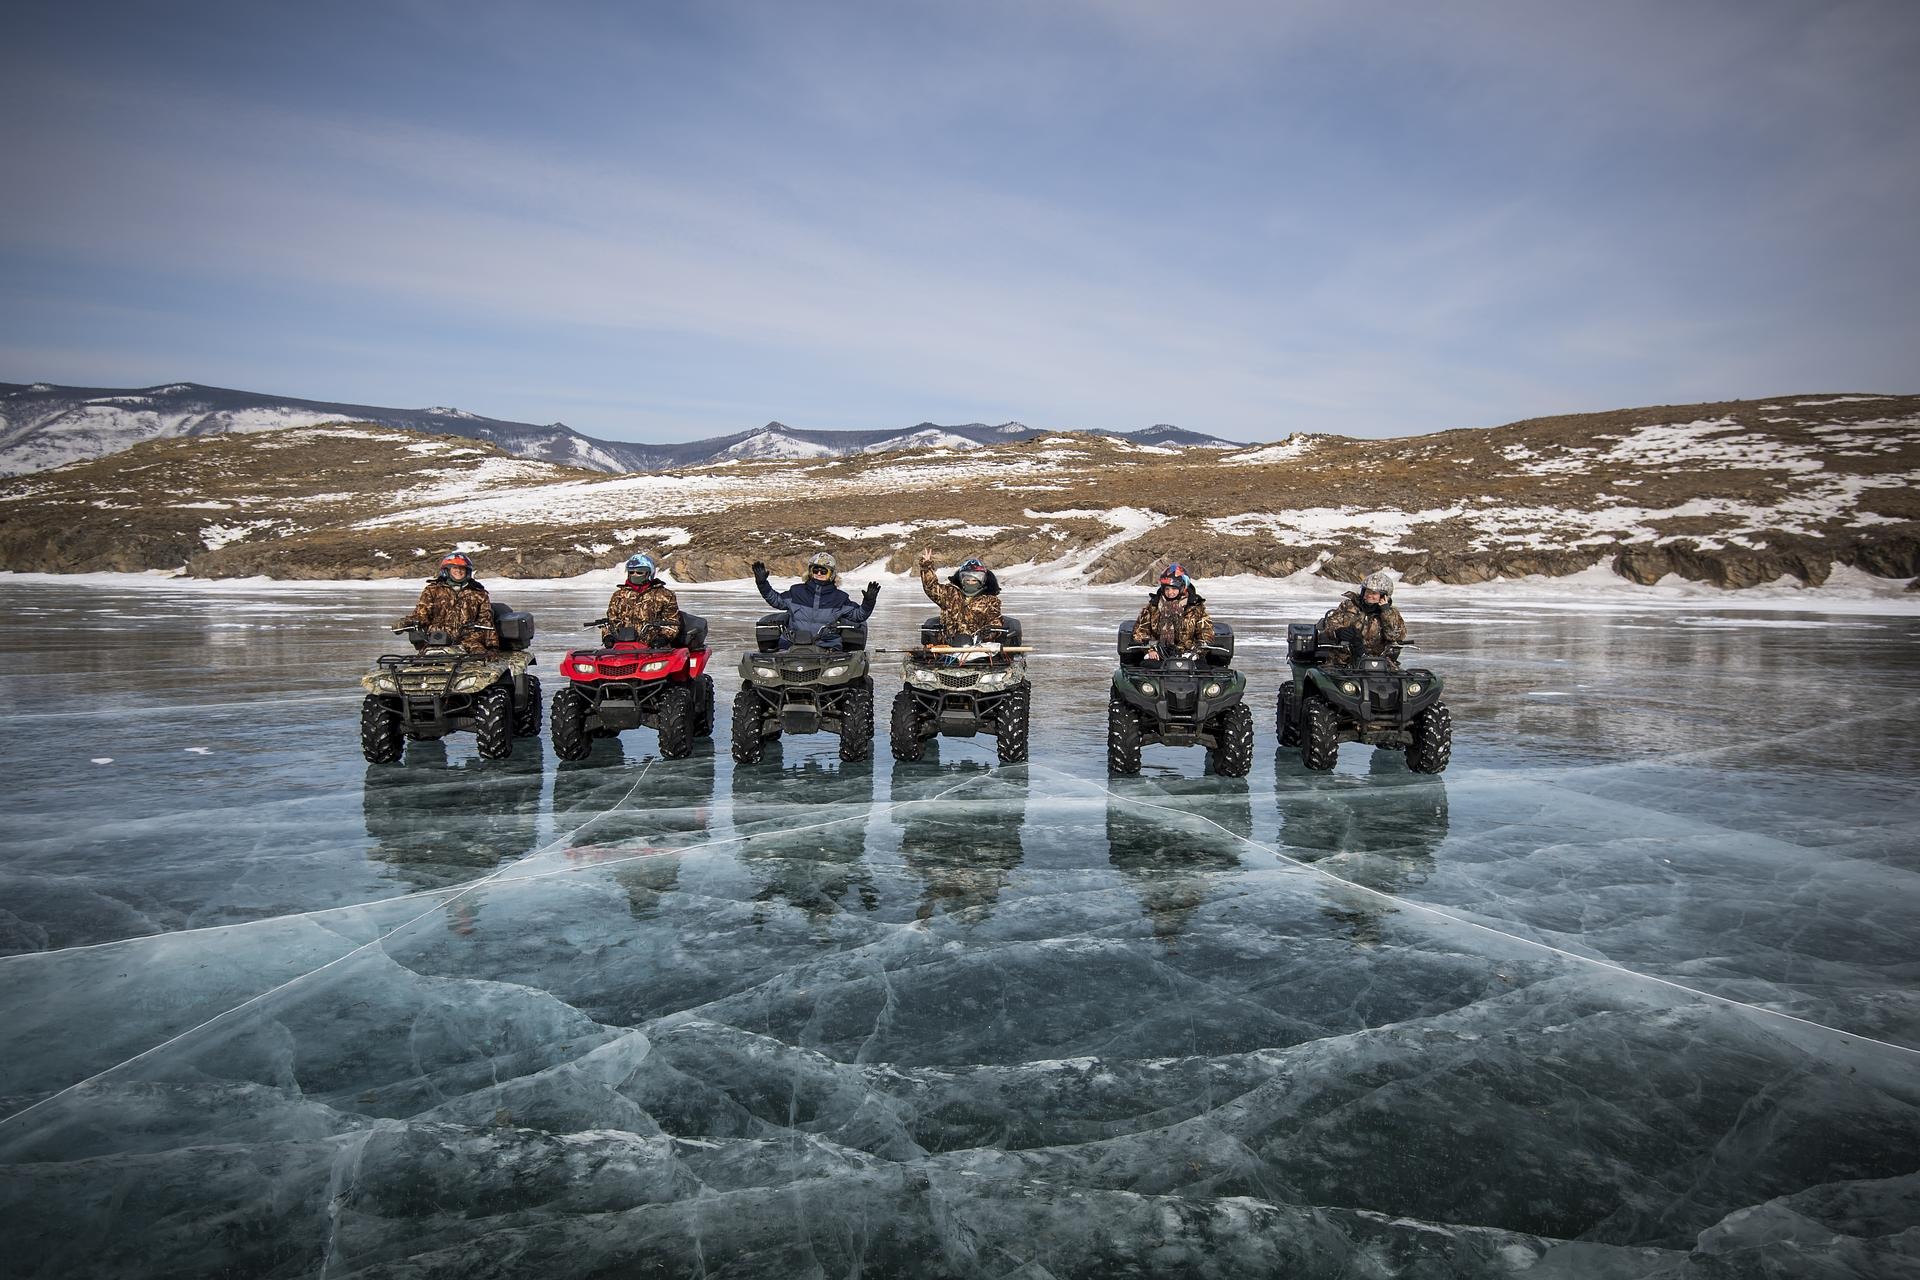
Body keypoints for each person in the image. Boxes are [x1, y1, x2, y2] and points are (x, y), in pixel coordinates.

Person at [752, 550, 879, 650]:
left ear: (832, 574)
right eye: (815, 570)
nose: (819, 573)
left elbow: (858, 616)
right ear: (810, 572)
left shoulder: (840, 598)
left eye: (823, 571)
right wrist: (762, 583)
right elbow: (776, 600)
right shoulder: (797, 591)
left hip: (827, 647)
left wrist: (869, 602)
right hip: (792, 645)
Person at [396, 551, 497, 652]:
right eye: (455, 568)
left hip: (469, 641)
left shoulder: (479, 593)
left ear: (468, 571)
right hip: (437, 639)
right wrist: (406, 622)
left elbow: (487, 622)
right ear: (447, 570)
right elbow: (421, 614)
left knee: (481, 658)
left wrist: (493, 647)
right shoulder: (432, 590)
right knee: (425, 661)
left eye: (462, 568)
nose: (459, 571)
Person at [1317, 570, 1408, 663]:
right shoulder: (1349, 605)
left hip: (1378, 661)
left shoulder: (1392, 613)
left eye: (1374, 593)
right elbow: (1330, 624)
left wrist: (1386, 612)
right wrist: (1338, 631)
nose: (1369, 595)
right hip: (1343, 660)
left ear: (1384, 596)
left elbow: (1395, 636)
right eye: (1367, 591)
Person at [1130, 562, 1214, 661]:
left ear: (1183, 587)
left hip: (1189, 656)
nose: (1170, 593)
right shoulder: (1153, 606)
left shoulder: (1196, 607)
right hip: (1159, 655)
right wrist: (1150, 650)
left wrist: (1196, 652)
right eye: (1167, 589)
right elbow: (1140, 631)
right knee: (1147, 666)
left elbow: (1206, 634)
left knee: (1202, 669)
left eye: (1174, 588)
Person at [918, 551, 1003, 643]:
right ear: (961, 578)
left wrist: (988, 634)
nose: (970, 582)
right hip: (949, 645)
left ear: (984, 579)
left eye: (975, 579)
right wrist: (926, 567)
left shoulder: (991, 600)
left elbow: (996, 622)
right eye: (967, 579)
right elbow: (931, 587)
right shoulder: (949, 593)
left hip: (978, 645)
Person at [603, 553, 680, 646]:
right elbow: (610, 621)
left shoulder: (665, 595)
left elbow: (672, 623)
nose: (635, 575)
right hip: (623, 648)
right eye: (631, 572)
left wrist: (663, 638)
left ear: (649, 573)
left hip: (654, 648)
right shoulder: (619, 595)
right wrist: (607, 636)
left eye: (639, 572)